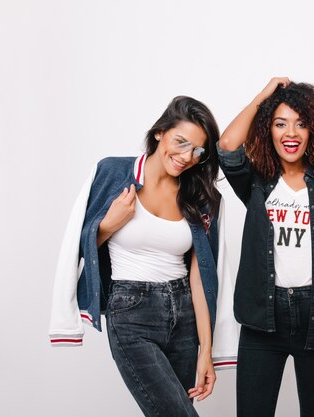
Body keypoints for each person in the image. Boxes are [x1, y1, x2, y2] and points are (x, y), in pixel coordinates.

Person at [49, 96, 238, 417]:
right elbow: (76, 246)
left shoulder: (199, 195)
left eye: (197, 151)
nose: (186, 157)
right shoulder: (112, 173)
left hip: (186, 318)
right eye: (180, 142)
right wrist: (110, 223)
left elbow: (201, 275)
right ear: (159, 133)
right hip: (132, 313)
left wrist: (207, 351)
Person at [218, 78, 314, 417]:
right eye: (280, 123)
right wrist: (264, 95)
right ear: (267, 129)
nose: (291, 133)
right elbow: (227, 145)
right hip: (261, 320)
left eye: (301, 124)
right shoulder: (257, 180)